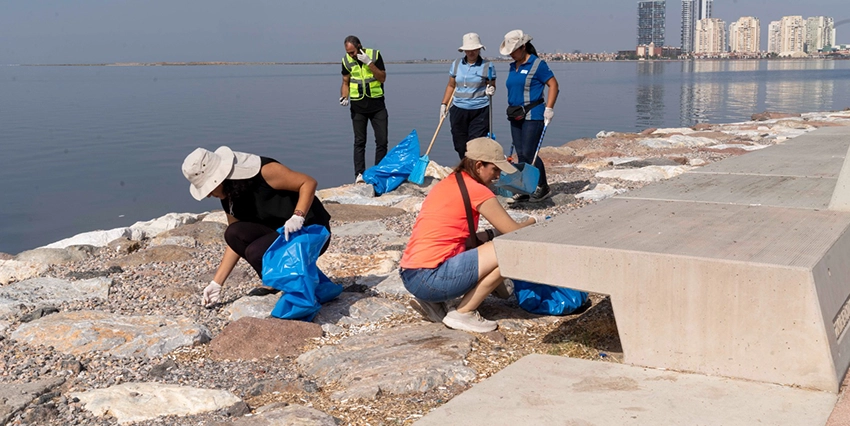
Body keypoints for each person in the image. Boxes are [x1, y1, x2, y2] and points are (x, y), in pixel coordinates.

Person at [399, 138, 548, 333]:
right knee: (509, 249)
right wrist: (535, 221)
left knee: (493, 251)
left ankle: (434, 303)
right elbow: (513, 233)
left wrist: (492, 234)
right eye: (495, 169)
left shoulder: (449, 183)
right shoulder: (477, 190)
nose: (498, 175)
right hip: (430, 278)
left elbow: (463, 236)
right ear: (479, 166)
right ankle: (463, 313)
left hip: (411, 275)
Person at [181, 146, 332, 308]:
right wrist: (216, 283)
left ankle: (300, 291)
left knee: (256, 252)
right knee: (233, 233)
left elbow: (308, 182)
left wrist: (298, 216)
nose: (208, 194)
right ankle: (285, 281)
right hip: (279, 234)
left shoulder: (265, 172)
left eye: (208, 188)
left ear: (221, 178)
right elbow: (235, 243)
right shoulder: (229, 194)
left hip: (310, 229)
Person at [500, 29, 559, 203]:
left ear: (523, 47)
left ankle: (543, 186)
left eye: (513, 50)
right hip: (515, 114)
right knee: (521, 154)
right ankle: (525, 189)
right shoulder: (513, 66)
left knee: (529, 151)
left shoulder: (537, 64)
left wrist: (549, 108)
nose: (511, 54)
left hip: (534, 113)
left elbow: (553, 85)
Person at [340, 35, 388, 183]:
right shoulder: (346, 61)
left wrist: (369, 63)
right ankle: (359, 175)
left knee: (381, 141)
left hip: (377, 106)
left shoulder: (374, 55)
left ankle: (378, 172)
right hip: (358, 107)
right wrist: (344, 96)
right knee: (359, 141)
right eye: (348, 53)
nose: (351, 55)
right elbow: (345, 82)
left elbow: (382, 78)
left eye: (353, 52)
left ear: (359, 46)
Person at [440, 33, 497, 159]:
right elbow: (451, 85)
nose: (471, 52)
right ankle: (465, 166)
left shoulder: (488, 66)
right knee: (460, 144)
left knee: (475, 144)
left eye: (474, 49)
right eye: (469, 50)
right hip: (459, 109)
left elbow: (492, 85)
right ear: (464, 50)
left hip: (480, 110)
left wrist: (491, 89)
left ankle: (473, 171)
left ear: (479, 49)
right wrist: (444, 104)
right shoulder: (456, 64)